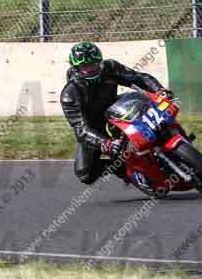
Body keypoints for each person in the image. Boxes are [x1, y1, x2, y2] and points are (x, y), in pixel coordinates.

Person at [60, 42, 172, 186]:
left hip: (117, 109)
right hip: (93, 126)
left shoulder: (110, 67)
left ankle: (171, 139)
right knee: (85, 174)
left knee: (153, 107)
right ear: (76, 68)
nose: (91, 69)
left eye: (94, 64)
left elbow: (138, 78)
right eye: (85, 67)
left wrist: (159, 90)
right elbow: (81, 128)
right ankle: (124, 169)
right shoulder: (69, 94)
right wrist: (104, 143)